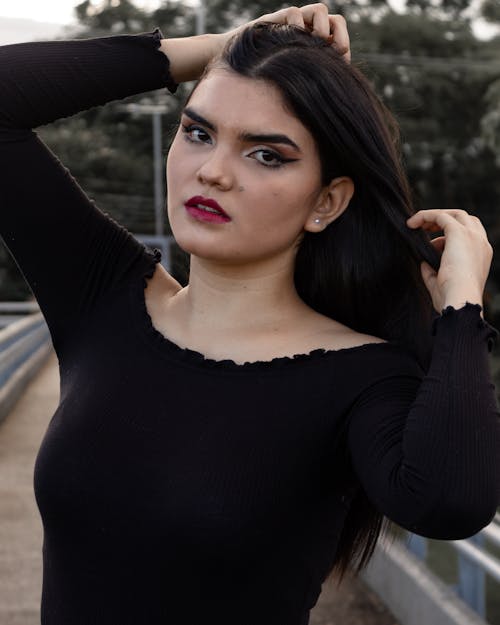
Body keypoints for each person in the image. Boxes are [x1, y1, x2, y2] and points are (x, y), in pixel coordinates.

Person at [0, 4, 498, 624]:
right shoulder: (104, 297)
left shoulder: (361, 378)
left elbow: (449, 501)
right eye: (198, 132)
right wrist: (227, 47)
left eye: (266, 155)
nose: (211, 172)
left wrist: (460, 307)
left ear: (326, 202)